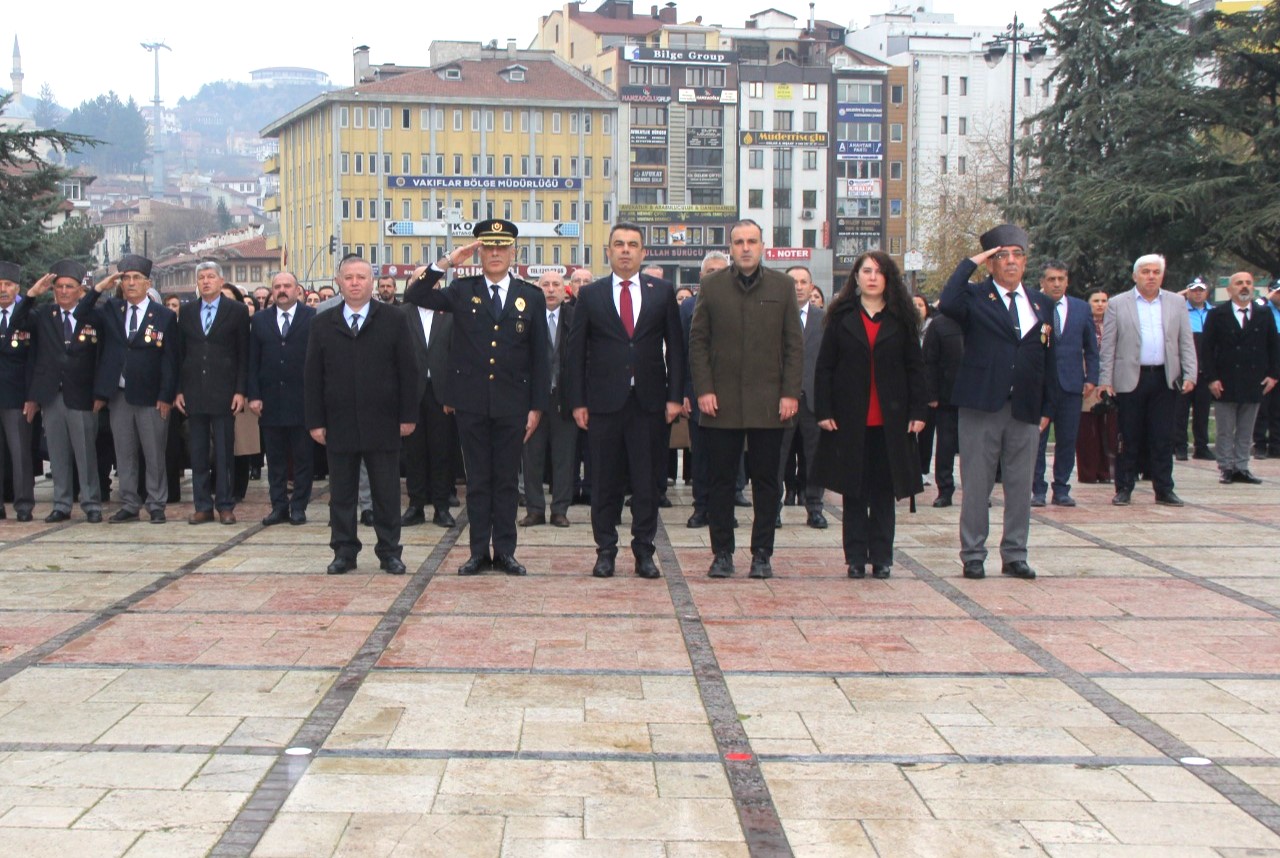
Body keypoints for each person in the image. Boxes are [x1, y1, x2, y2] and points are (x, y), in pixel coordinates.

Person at [406, 219, 548, 576]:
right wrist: (448, 261)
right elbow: (416, 295)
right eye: (489, 247)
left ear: (514, 252)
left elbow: (539, 358)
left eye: (503, 247)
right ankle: (477, 552)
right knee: (478, 481)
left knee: (505, 481)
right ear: (479, 251)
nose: (496, 253)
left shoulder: (530, 295)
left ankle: (505, 551)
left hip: (513, 405)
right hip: (470, 403)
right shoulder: (461, 289)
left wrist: (536, 407)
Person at [937, 224, 1054, 581]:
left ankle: (1015, 553)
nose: (1012, 262)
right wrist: (970, 262)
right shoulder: (975, 298)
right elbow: (948, 299)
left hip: (1025, 408)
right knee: (977, 484)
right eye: (1003, 256)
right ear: (991, 263)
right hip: (982, 404)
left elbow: (1048, 357)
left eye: (1018, 255)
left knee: (1021, 485)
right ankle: (973, 554)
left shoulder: (1041, 303)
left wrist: (1047, 407)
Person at [689, 220, 803, 580]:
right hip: (720, 402)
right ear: (730, 247)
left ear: (763, 245)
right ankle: (722, 552)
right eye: (738, 242)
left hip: (770, 402)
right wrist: (704, 389)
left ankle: (762, 554)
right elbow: (699, 342)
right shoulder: (711, 286)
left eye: (752, 241)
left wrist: (789, 393)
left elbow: (793, 346)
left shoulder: (783, 286)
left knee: (768, 482)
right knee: (721, 481)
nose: (746, 248)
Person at [567, 223, 683, 578]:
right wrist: (578, 401)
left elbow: (676, 350)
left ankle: (644, 552)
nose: (626, 251)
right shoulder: (592, 295)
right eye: (619, 244)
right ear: (608, 251)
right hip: (603, 404)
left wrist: (675, 397)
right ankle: (606, 551)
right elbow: (576, 352)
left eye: (633, 245)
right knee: (603, 481)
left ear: (643, 252)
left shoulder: (662, 292)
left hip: (649, 403)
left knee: (647, 483)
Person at [815, 251, 926, 579]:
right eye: (866, 271)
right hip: (851, 419)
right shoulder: (840, 316)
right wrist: (824, 409)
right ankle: (855, 557)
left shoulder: (901, 318)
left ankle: (882, 557)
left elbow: (915, 368)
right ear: (856, 277)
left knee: (883, 492)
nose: (873, 277)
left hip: (891, 420)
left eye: (879, 272)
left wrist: (919, 409)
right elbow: (825, 368)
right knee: (854, 490)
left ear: (888, 278)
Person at [305, 255, 418, 575]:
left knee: (386, 492)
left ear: (373, 282)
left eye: (361, 277)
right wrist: (315, 420)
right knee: (341, 493)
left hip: (383, 421)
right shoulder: (322, 323)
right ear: (338, 282)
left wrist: (408, 415)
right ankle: (344, 550)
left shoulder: (393, 320)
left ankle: (389, 551)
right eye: (349, 277)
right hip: (339, 422)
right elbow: (312, 376)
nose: (355, 283)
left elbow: (408, 371)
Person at [1098, 254, 1197, 506]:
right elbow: (1108, 345)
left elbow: (1185, 341)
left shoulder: (1176, 302)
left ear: (1162, 276)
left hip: (1165, 378)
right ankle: (1124, 487)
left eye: (1155, 272)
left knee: (1163, 437)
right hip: (1131, 379)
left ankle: (1164, 488)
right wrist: (1105, 380)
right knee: (1128, 436)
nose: (1151, 276)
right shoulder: (1119, 304)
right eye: (1145, 272)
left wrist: (1190, 373)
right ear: (1135, 275)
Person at [88, 255, 178, 524]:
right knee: (124, 453)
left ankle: (156, 503)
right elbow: (82, 313)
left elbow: (170, 360)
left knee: (153, 453)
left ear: (147, 283)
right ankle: (129, 502)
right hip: (120, 395)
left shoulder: (163, 316)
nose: (130, 283)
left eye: (136, 278)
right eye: (125, 278)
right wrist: (98, 288)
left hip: (151, 397)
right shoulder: (112, 309)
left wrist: (166, 395)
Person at [22, 261, 104, 523]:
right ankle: (62, 503)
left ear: (80, 290)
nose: (64, 291)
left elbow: (100, 355)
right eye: (59, 287)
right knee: (57, 454)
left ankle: (91, 503)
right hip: (52, 394)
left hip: (82, 395)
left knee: (85, 453)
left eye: (70, 287)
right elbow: (18, 321)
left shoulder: (90, 315)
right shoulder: (45, 314)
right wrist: (33, 294)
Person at [175, 262, 249, 525]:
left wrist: (241, 390)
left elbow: (243, 354)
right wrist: (179, 390)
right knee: (197, 452)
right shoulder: (186, 312)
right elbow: (179, 354)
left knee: (224, 453)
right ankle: (202, 505)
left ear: (221, 281)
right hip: (194, 392)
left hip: (225, 392)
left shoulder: (237, 311)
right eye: (201, 277)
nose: (206, 281)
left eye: (211, 277)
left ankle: (225, 505)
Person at [1200, 271, 1280, 484]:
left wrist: (1273, 375)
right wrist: (1211, 378)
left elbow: (1274, 346)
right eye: (1239, 283)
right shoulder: (1218, 314)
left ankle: (1242, 467)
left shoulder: (1264, 314)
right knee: (1225, 429)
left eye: (1248, 283)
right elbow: (1206, 349)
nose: (1244, 287)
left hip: (1255, 379)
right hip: (1225, 380)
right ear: (1229, 289)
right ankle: (1226, 467)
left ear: (1254, 288)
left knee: (1247, 428)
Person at [248, 271, 314, 526]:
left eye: (287, 285)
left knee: (302, 458)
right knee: (274, 459)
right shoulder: (261, 320)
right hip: (270, 401)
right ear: (272, 291)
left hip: (302, 400)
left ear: (298, 290)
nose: (282, 290)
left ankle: (299, 506)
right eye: (277, 286)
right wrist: (254, 395)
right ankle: (278, 506)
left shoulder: (311, 317)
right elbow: (253, 361)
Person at [1031, 261, 1099, 507]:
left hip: (1071, 385)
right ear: (1042, 282)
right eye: (1051, 279)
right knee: (1037, 440)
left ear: (1067, 281)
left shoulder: (1081, 309)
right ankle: (1037, 489)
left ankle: (1061, 488)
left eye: (1061, 278)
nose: (1057, 283)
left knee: (1068, 439)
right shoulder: (1033, 306)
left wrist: (1092, 377)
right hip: (1040, 386)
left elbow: (1091, 346)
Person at [400, 267, 457, 530]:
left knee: (442, 451)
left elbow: (460, 355)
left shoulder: (451, 313)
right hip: (411, 393)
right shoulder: (400, 314)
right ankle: (416, 505)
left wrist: (454, 395)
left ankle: (442, 507)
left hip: (442, 393)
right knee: (414, 452)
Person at [520, 271, 576, 529]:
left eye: (556, 285)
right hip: (533, 399)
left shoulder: (574, 317)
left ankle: (560, 510)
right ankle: (534, 509)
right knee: (532, 456)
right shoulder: (527, 318)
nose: (551, 290)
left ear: (565, 289)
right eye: (545, 285)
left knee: (564, 457)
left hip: (564, 398)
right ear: (537, 288)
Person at [776, 265, 828, 530]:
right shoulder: (773, 316)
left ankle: (815, 508)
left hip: (813, 401)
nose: (798, 286)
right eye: (793, 281)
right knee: (777, 457)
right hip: (780, 401)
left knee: (814, 457)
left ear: (811, 287)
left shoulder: (824, 319)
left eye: (803, 281)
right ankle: (773, 508)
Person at [681, 251, 730, 528]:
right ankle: (701, 507)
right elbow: (678, 352)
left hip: (732, 394)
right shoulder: (688, 307)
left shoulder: (740, 303)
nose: (714, 275)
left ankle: (724, 509)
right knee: (700, 456)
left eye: (720, 270)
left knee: (727, 458)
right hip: (697, 393)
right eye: (709, 271)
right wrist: (683, 392)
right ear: (701, 276)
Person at [922, 305, 964, 506]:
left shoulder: (979, 321)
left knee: (976, 449)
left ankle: (978, 492)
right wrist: (931, 393)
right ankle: (945, 490)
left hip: (975, 400)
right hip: (947, 397)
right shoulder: (939, 324)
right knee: (945, 445)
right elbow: (929, 360)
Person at [1076, 288, 1119, 484]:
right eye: (1096, 301)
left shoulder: (1113, 324)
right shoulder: (1083, 323)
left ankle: (1106, 471)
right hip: (1088, 380)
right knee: (1087, 431)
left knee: (1109, 430)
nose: (1101, 304)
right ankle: (1088, 472)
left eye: (1104, 300)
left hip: (1110, 382)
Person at [1175, 279, 1214, 461]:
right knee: (1180, 411)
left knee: (1202, 411)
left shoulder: (1213, 312)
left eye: (1201, 290)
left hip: (1206, 368)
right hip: (1184, 368)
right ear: (1187, 292)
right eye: (1194, 290)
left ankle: (1201, 446)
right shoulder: (1179, 310)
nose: (1198, 293)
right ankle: (1180, 446)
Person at [1254, 284, 1280, 457]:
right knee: (1262, 408)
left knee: (1278, 408)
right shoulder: (1261, 307)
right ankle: (1260, 444)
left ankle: (1276, 445)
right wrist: (1267, 298)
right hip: (1264, 362)